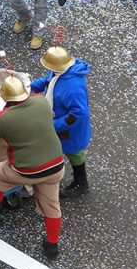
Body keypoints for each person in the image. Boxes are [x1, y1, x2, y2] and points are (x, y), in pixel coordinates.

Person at [0, 76, 65, 260]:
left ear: (5, 98)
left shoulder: (3, 117)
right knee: (52, 205)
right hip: (56, 165)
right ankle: (52, 245)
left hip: (27, 170)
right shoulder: (41, 102)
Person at [30, 47, 92, 198]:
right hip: (59, 123)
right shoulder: (61, 71)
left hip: (69, 130)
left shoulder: (73, 87)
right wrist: (31, 86)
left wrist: (55, 125)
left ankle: (81, 183)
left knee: (74, 153)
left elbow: (79, 113)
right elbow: (49, 80)